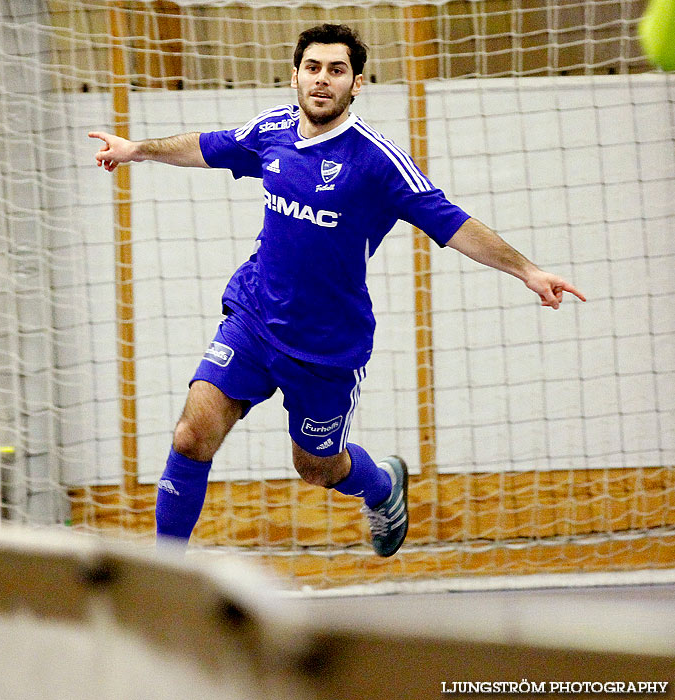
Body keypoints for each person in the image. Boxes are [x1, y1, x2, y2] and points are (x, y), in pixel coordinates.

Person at [89, 23, 585, 558]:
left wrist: (528, 271)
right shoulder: (272, 131)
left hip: (326, 347)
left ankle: (382, 487)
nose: (322, 80)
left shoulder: (377, 161)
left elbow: (452, 222)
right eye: (313, 68)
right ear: (296, 76)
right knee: (191, 435)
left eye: (336, 70)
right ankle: (164, 576)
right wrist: (137, 148)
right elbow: (208, 146)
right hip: (254, 317)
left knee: (317, 468)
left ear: (357, 83)